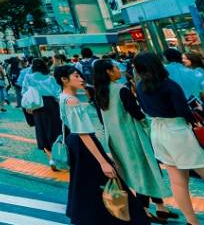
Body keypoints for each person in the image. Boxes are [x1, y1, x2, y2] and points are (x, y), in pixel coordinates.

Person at [56, 65, 145, 225]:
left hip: (75, 143)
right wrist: (103, 161)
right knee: (106, 179)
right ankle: (125, 218)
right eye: (76, 76)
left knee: (85, 183)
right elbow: (83, 132)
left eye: (81, 76)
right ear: (64, 79)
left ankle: (89, 216)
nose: (81, 79)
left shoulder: (62, 96)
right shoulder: (72, 100)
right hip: (84, 144)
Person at [94, 59, 176, 223]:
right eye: (116, 68)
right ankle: (143, 209)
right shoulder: (121, 90)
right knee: (144, 170)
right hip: (133, 136)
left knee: (141, 170)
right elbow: (136, 113)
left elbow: (102, 120)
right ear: (109, 72)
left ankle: (160, 208)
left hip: (116, 139)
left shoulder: (100, 93)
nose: (119, 70)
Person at [135, 52, 204, 225]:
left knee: (178, 181)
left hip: (158, 131)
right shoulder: (169, 85)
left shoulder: (140, 86)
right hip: (178, 131)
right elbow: (183, 112)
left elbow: (145, 109)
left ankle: (192, 221)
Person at [21, 58, 63, 169]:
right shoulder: (51, 78)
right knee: (55, 130)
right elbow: (58, 93)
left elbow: (24, 92)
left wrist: (29, 107)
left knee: (42, 132)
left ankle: (51, 159)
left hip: (38, 106)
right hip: (52, 105)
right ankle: (59, 154)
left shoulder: (28, 77)